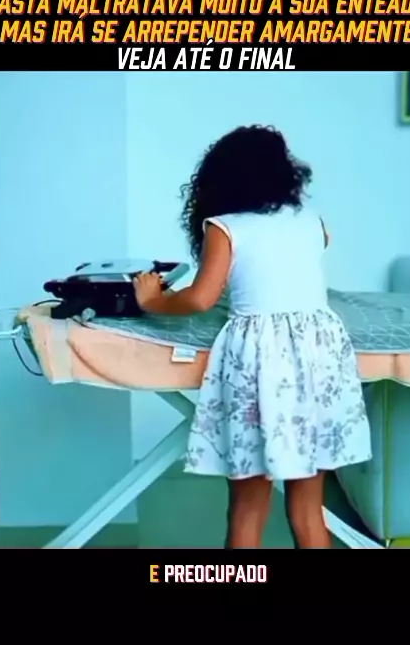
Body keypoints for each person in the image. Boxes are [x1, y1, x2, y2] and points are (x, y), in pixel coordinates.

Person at [133, 125, 372, 549]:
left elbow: (201, 299)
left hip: (262, 362)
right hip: (318, 356)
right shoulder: (312, 222)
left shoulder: (224, 227)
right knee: (308, 510)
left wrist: (153, 300)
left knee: (247, 508)